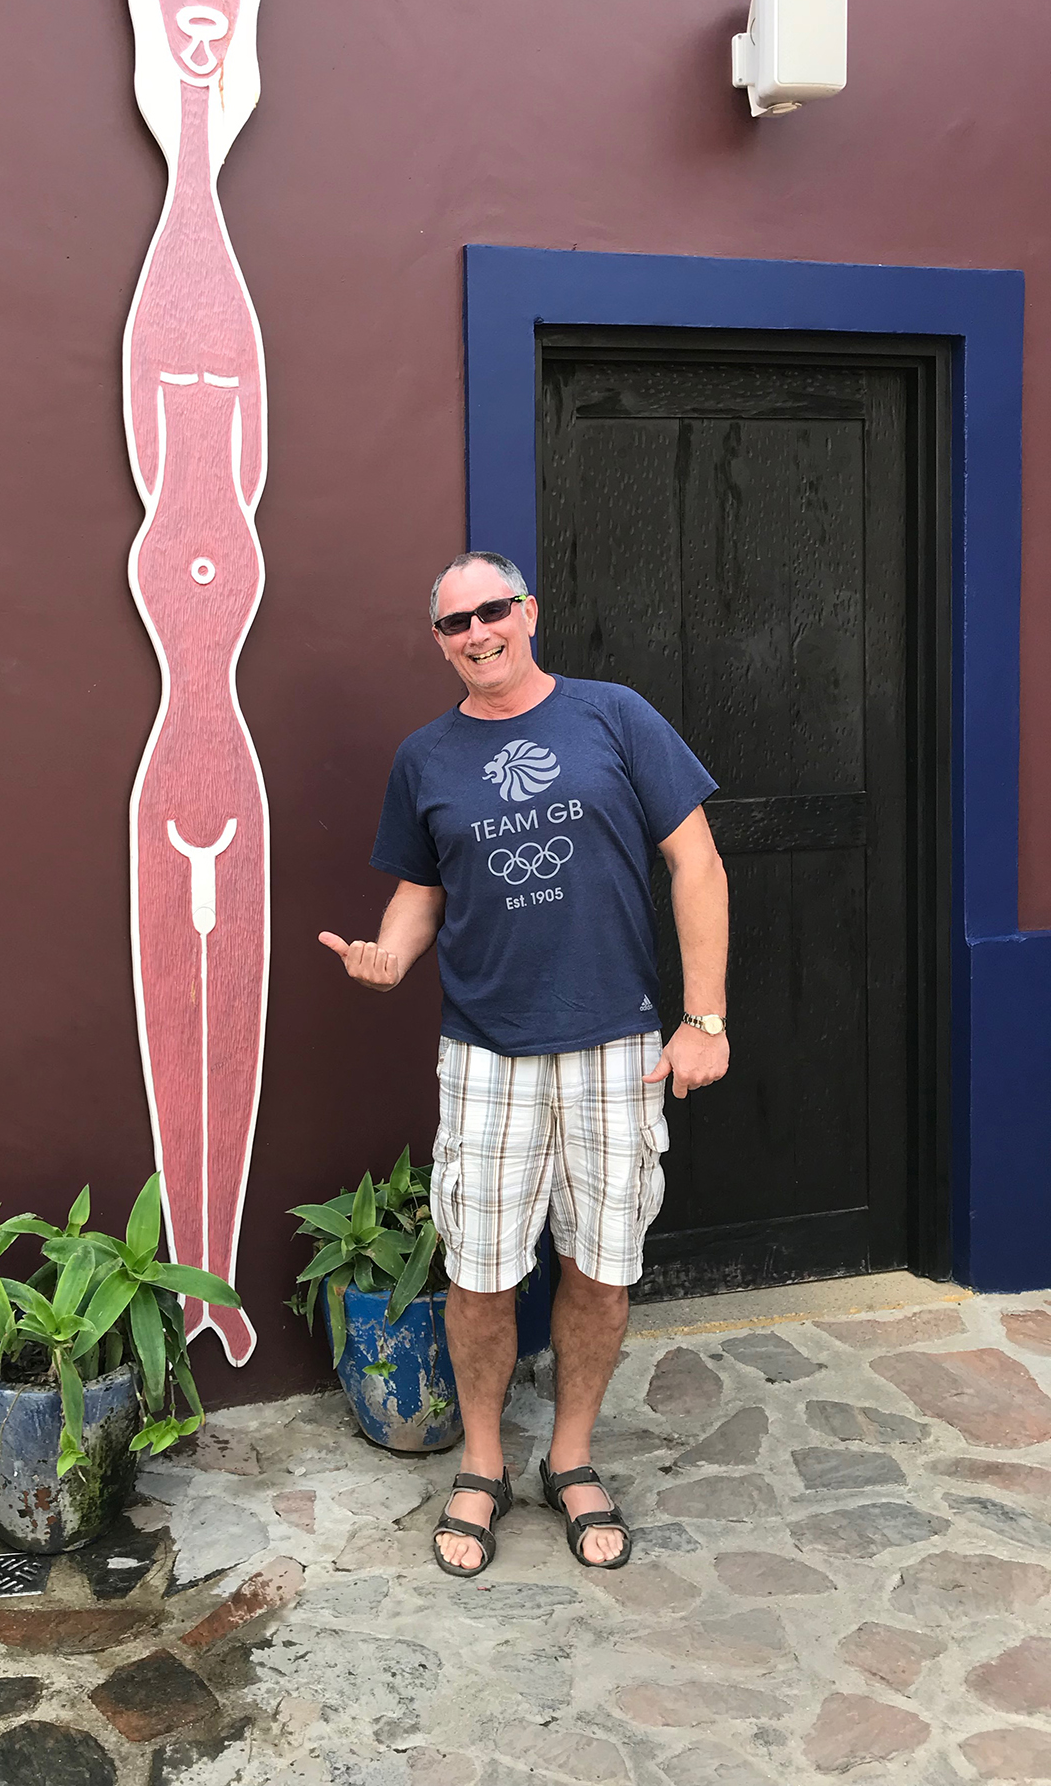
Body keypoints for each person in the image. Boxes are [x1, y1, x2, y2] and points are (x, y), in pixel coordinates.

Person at [319, 551, 729, 1573]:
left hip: (615, 1043)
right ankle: (483, 1462)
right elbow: (420, 889)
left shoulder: (613, 716)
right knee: (480, 1272)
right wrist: (390, 954)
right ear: (439, 641)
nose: (477, 632)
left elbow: (696, 859)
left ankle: (572, 1454)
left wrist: (704, 1017)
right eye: (454, 622)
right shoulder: (425, 756)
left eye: (492, 609)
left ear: (528, 611)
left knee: (601, 1265)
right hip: (486, 1051)